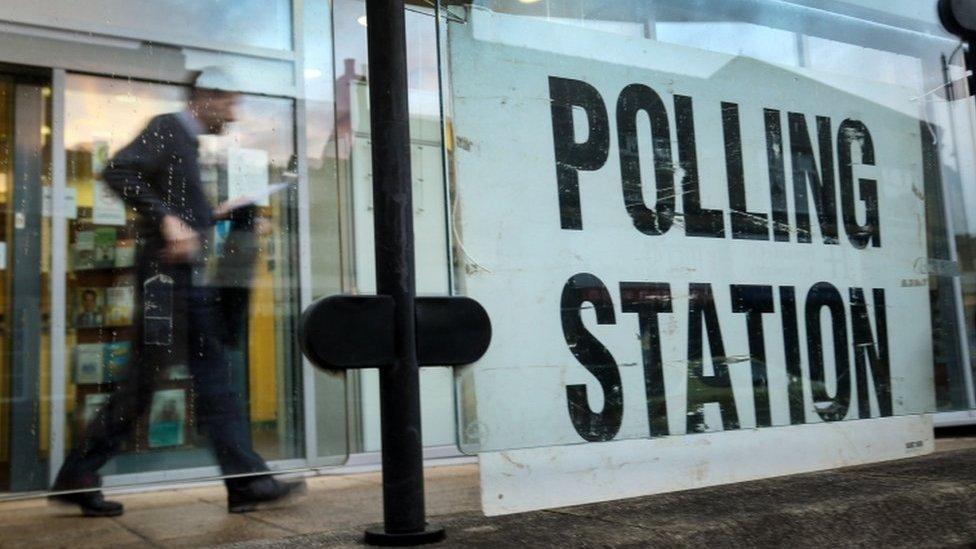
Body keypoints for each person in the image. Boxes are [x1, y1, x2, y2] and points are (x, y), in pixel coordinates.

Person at [50, 67, 304, 517]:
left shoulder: (186, 144)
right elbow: (118, 171)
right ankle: (245, 481)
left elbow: (182, 207)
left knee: (188, 380)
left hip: (178, 282)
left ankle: (82, 473)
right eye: (228, 103)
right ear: (205, 97)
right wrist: (166, 218)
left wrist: (215, 211)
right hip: (164, 281)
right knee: (175, 380)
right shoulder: (168, 128)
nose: (232, 115)